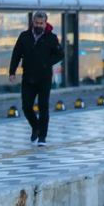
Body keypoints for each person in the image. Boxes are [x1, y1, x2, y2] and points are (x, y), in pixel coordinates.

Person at [9, 11, 64, 146]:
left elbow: (60, 54)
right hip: (28, 76)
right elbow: (16, 54)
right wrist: (12, 72)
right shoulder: (24, 37)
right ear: (33, 23)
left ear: (46, 24)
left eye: (41, 23)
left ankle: (42, 137)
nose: (39, 25)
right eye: (37, 23)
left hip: (44, 77)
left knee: (43, 106)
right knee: (27, 106)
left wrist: (48, 62)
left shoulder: (51, 38)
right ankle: (36, 126)